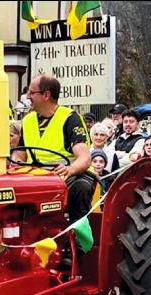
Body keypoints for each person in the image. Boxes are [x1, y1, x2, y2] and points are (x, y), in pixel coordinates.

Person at [14, 74, 92, 222]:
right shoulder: (27, 120)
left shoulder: (70, 118)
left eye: (32, 92)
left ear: (46, 95)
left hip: (66, 177)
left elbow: (84, 157)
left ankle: (80, 239)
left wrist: (70, 169)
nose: (28, 96)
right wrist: (16, 161)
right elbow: (20, 153)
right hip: (35, 177)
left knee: (81, 188)